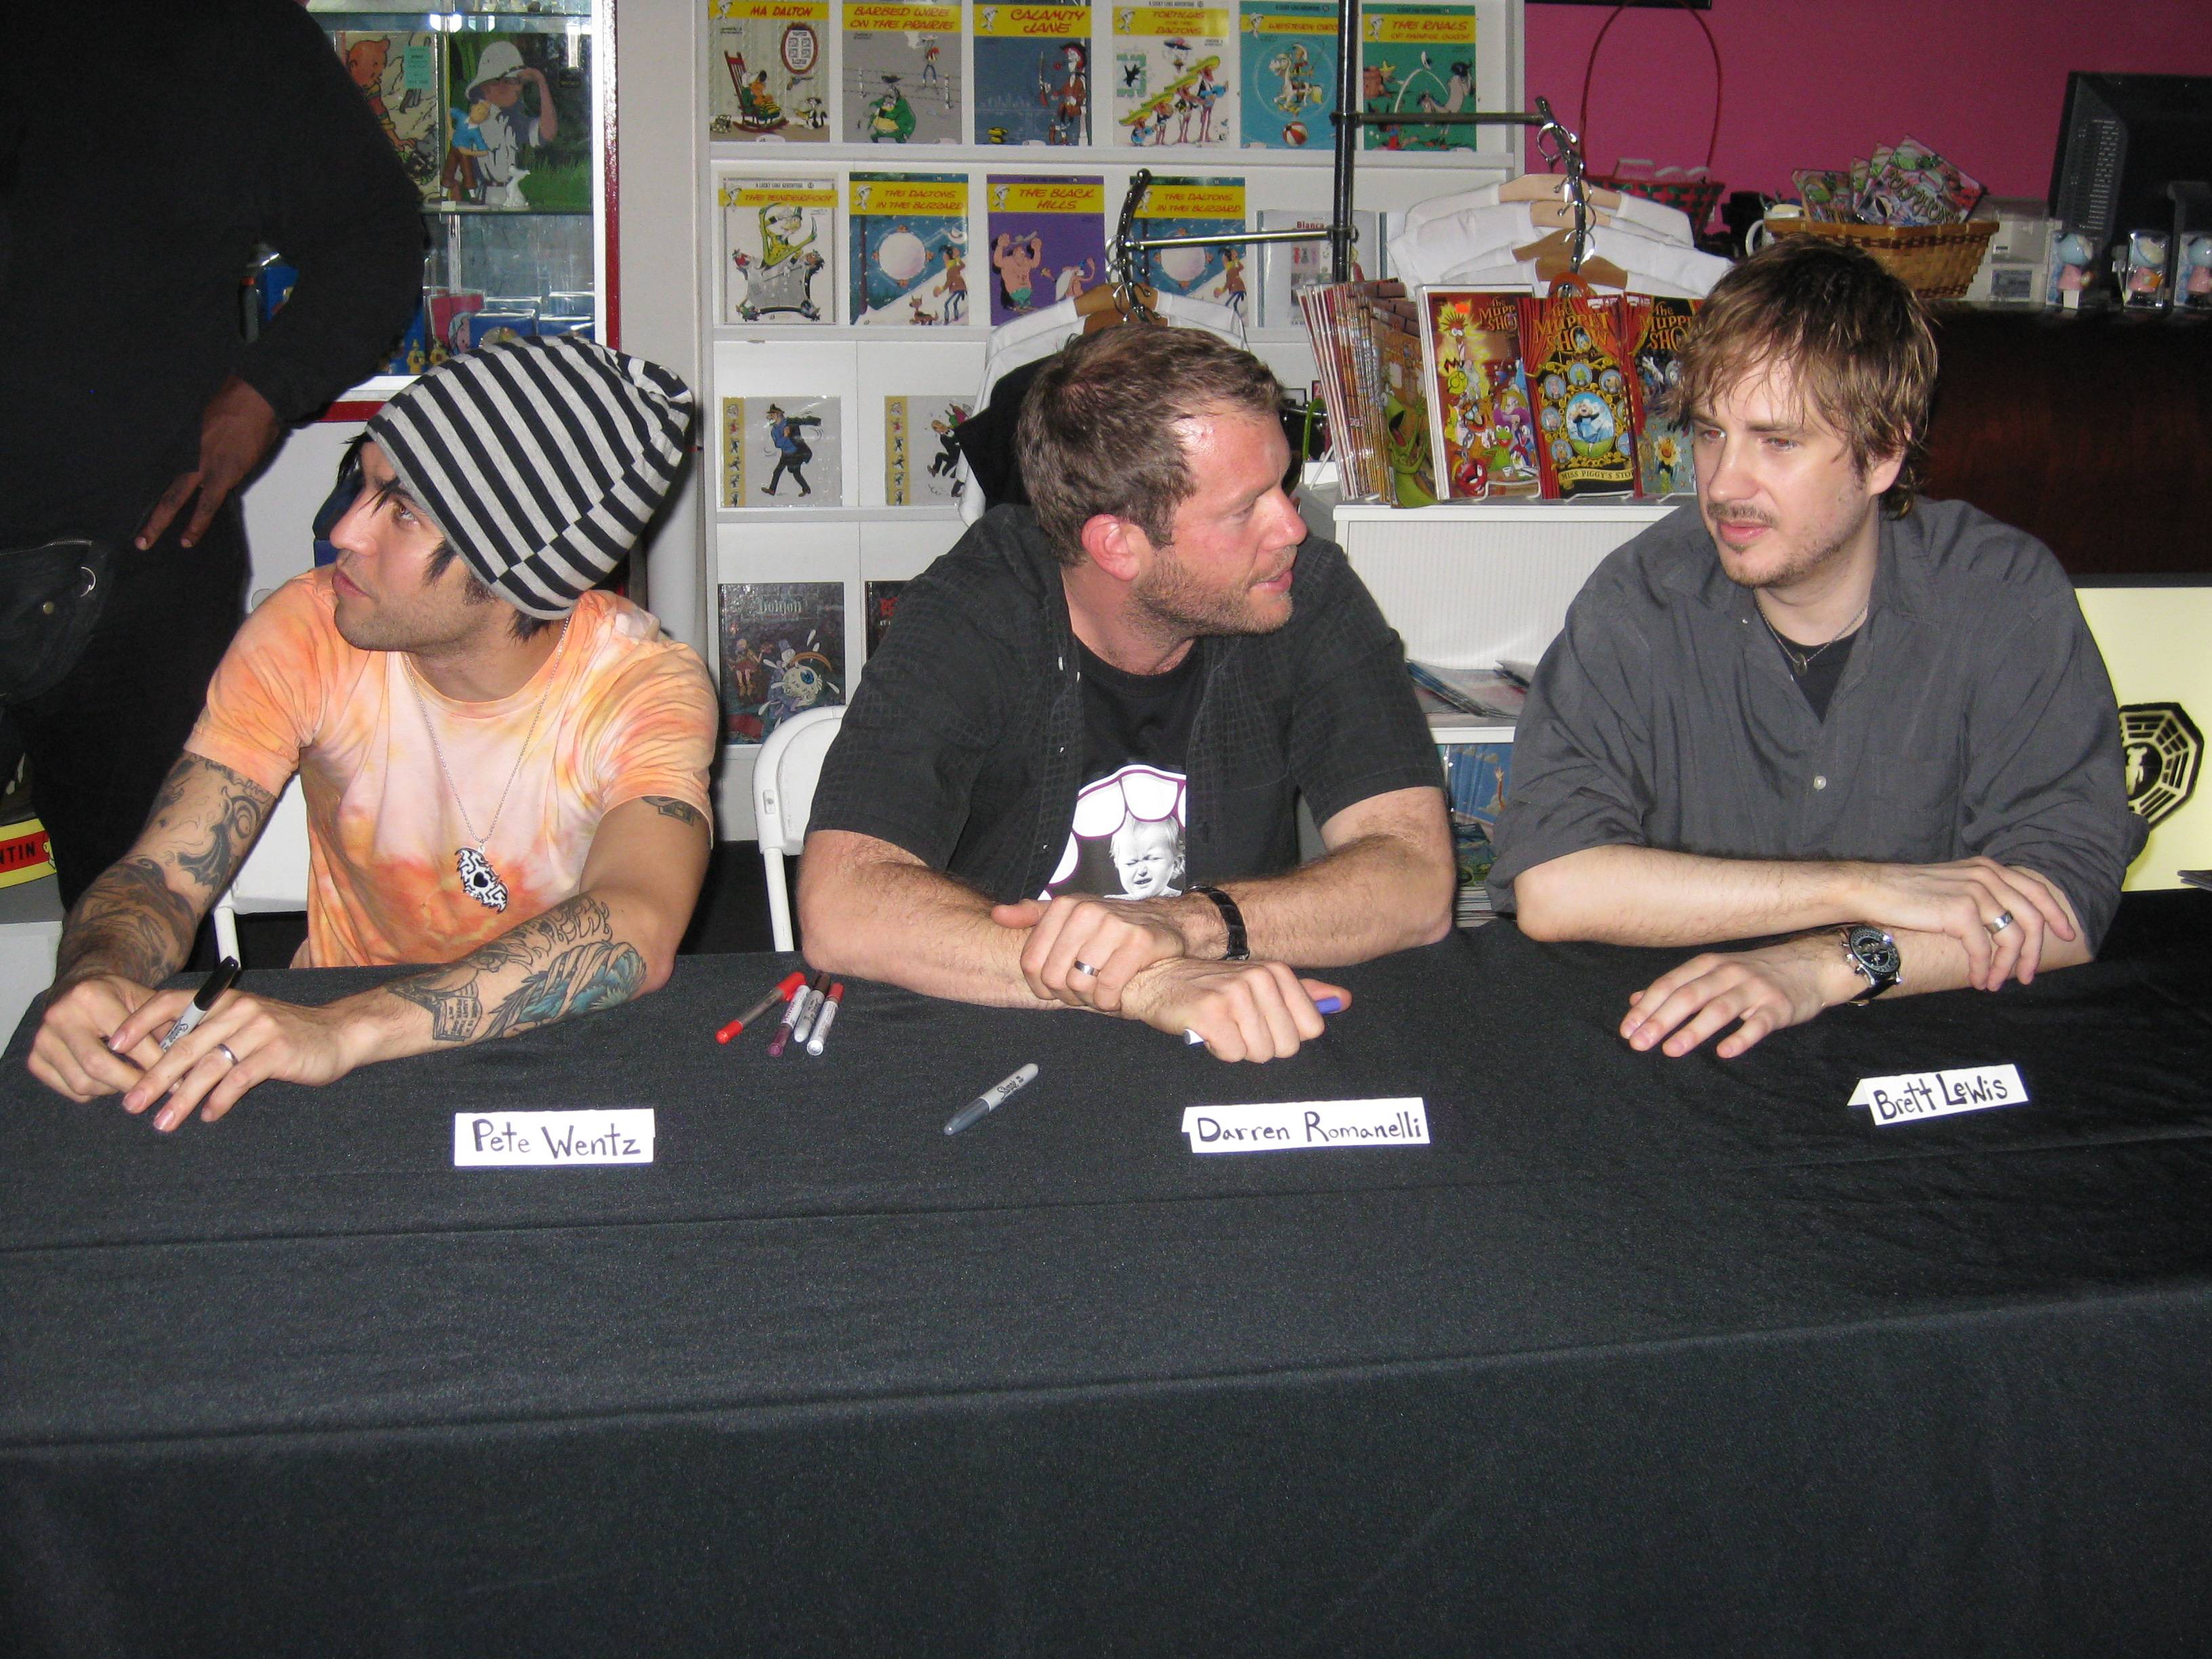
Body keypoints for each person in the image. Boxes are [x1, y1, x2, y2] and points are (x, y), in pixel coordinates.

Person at [28, 337, 718, 1132]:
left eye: (403, 512)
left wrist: (342, 1029)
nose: (346, 532)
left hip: (552, 1054)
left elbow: (634, 922)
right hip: (330, 1059)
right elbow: (162, 876)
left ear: (517, 571)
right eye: (363, 481)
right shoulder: (308, 627)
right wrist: (99, 973)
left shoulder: (642, 683)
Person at [1486, 239, 2145, 1059]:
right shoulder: (1643, 598)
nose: (1724, 484)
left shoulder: (1999, 592)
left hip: (1936, 1052)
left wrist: (1826, 965)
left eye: (1778, 442)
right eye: (1710, 433)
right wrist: (1862, 886)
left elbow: (2065, 908)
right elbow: (1553, 885)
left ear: (1883, 453)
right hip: (1687, 1054)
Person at [799, 325, 1456, 1061]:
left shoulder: (1307, 592)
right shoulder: (975, 607)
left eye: (1284, 482)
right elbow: (842, 904)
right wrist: (1142, 981)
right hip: (998, 1041)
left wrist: (1185, 926)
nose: (1293, 527)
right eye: (1247, 508)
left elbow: (1417, 876)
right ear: (1117, 545)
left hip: (1237, 1037)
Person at [0, 0, 425, 912]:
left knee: (130, 928)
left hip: (136, 560)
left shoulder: (227, 28)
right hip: (127, 531)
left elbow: (376, 237)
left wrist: (266, 389)